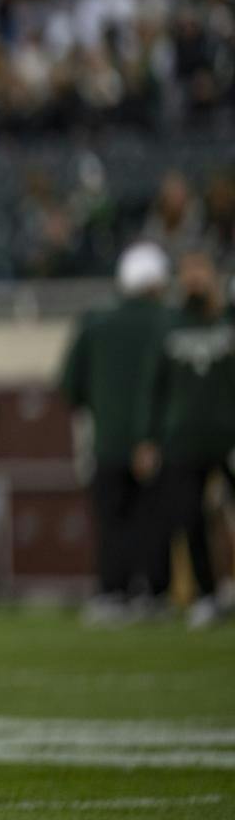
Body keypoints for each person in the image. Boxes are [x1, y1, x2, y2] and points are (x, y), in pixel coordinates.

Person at [60, 242, 174, 625]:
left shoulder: (96, 321)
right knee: (153, 519)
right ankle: (154, 591)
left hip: (106, 438)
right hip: (161, 441)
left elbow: (68, 384)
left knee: (113, 521)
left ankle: (114, 591)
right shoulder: (169, 320)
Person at [147, 251, 235, 627]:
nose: (195, 279)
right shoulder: (169, 325)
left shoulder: (228, 321)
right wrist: (148, 437)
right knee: (188, 518)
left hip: (228, 436)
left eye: (201, 271)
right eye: (189, 272)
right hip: (182, 439)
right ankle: (208, 594)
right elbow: (153, 387)